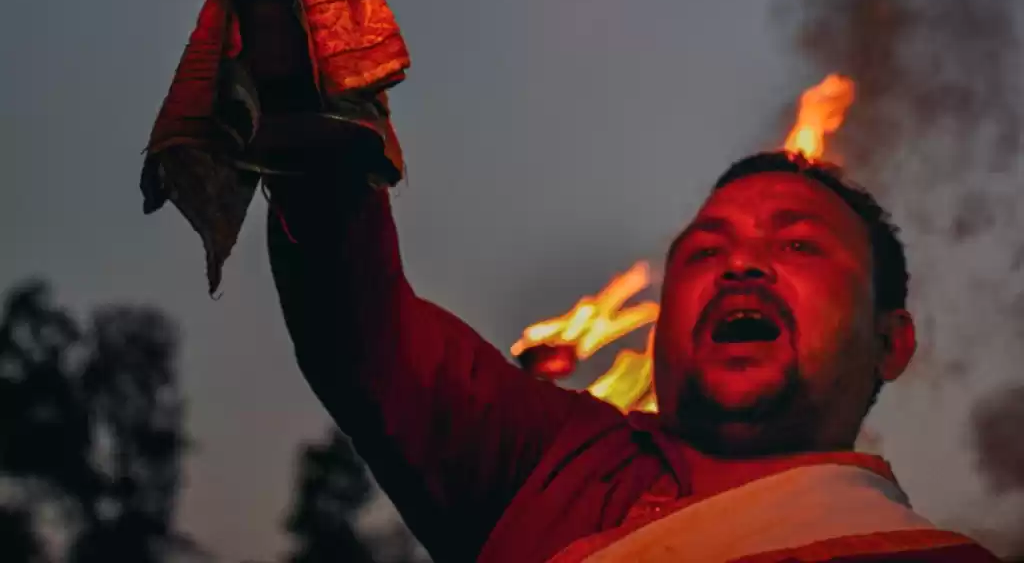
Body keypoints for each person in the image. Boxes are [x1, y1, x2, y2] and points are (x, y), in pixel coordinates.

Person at [266, 142, 1000, 563]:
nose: (739, 266)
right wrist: (299, 68)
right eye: (705, 250)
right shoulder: (556, 456)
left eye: (799, 243)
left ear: (890, 341)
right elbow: (356, 323)